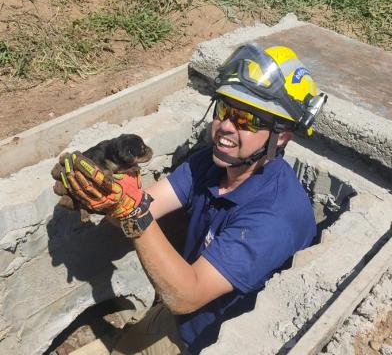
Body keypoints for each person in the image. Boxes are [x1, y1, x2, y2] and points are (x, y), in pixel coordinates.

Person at [52, 43, 327, 354]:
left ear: (282, 136)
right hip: (176, 316)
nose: (225, 127)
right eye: (224, 109)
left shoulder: (276, 216)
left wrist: (132, 209)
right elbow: (137, 212)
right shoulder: (211, 163)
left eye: (247, 120)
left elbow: (186, 295)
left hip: (207, 341)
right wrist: (106, 195)